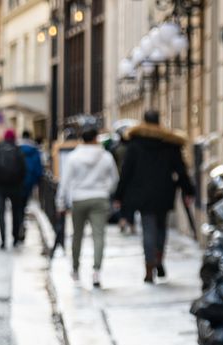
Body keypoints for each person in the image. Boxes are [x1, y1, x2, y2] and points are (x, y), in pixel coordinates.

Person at [113, 109, 194, 284]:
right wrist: (188, 190)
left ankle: (149, 268)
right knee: (161, 228)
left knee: (148, 230)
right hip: (164, 191)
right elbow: (180, 170)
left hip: (142, 193)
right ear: (159, 122)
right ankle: (159, 259)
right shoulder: (169, 143)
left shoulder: (134, 145)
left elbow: (126, 172)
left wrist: (119, 195)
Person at [57, 126, 119, 287]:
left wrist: (61, 202)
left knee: (77, 235)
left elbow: (65, 182)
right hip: (99, 198)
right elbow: (114, 179)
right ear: (95, 138)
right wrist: (106, 190)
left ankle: (76, 269)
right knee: (99, 236)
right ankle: (96, 271)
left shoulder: (73, 157)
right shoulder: (106, 156)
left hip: (79, 198)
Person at [0, 129, 27, 248]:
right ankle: (14, 238)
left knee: (1, 213)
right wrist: (19, 182)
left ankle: (3, 239)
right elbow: (24, 169)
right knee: (15, 212)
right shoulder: (18, 150)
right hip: (15, 187)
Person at [19, 130, 43, 204]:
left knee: (18, 199)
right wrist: (38, 178)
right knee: (25, 198)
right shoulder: (34, 149)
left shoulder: (17, 148)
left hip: (18, 177)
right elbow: (38, 165)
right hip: (30, 177)